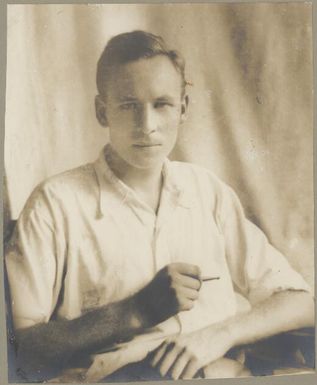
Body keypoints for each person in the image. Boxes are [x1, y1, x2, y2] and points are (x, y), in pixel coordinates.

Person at [5, 30, 314, 383]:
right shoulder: (54, 204)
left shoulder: (207, 191)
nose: (147, 126)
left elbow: (301, 302)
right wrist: (133, 312)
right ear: (102, 111)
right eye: (128, 105)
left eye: (161, 104)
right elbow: (19, 349)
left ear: (183, 108)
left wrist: (218, 336)